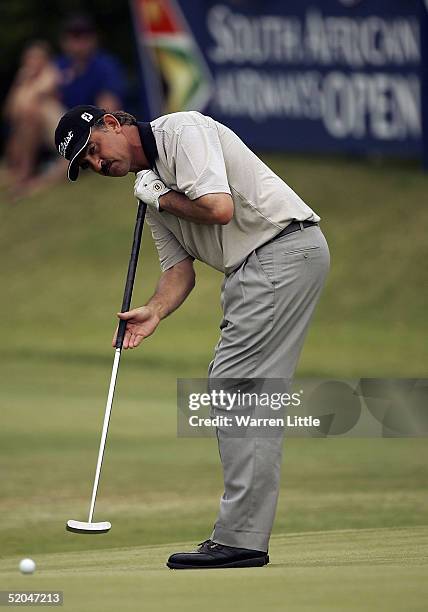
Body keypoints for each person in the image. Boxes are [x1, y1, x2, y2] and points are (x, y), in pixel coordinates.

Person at [54, 105, 330, 569]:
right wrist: (154, 310)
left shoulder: (182, 131)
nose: (98, 165)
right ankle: (243, 535)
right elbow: (179, 272)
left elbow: (219, 209)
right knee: (244, 392)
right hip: (258, 267)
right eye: (87, 165)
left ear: (114, 125)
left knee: (236, 388)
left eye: (94, 150)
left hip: (279, 250)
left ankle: (242, 539)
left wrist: (160, 197)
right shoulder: (149, 189)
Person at [2, 40, 65, 198]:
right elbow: (10, 113)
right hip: (34, 133)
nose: (33, 62)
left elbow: (31, 104)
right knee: (22, 123)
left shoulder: (51, 75)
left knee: (30, 114)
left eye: (37, 58)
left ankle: (26, 176)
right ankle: (19, 173)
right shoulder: (25, 80)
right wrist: (20, 84)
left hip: (54, 132)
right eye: (30, 58)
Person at [56, 14, 126, 112]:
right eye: (74, 38)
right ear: (64, 41)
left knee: (107, 105)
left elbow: (110, 103)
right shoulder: (58, 65)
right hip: (63, 120)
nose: (79, 45)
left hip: (94, 122)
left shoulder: (105, 65)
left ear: (94, 39)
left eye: (84, 38)